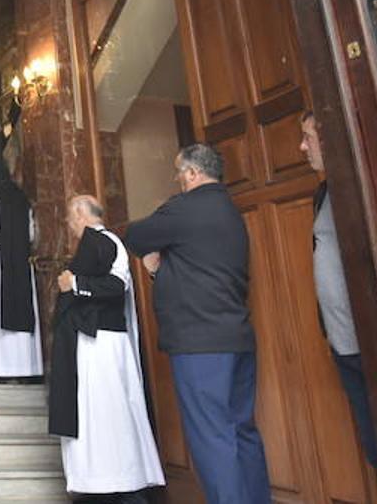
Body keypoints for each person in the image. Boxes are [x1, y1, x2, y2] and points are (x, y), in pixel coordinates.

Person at [125, 143, 270, 504]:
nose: (177, 180)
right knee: (242, 430)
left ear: (192, 173)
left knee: (212, 437)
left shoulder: (186, 209)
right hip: (237, 337)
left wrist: (156, 264)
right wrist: (165, 268)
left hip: (200, 343)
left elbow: (136, 236)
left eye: (179, 173)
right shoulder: (232, 212)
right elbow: (202, 267)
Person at [51, 195, 165, 501]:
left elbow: (117, 286)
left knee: (109, 408)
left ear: (81, 215)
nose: (70, 223)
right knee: (95, 409)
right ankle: (97, 479)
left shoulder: (105, 241)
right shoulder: (96, 243)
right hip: (92, 340)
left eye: (71, 217)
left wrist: (74, 284)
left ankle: (117, 479)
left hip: (103, 341)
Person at [301, 111, 377, 470]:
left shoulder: (365, 184)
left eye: (308, 137)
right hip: (344, 343)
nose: (302, 146)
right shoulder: (325, 192)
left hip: (375, 341)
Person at [0, 119, 43, 379]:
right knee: (21, 304)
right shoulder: (23, 199)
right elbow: (32, 233)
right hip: (20, 257)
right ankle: (26, 366)